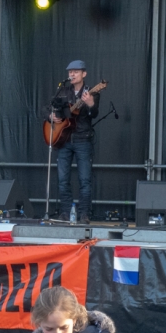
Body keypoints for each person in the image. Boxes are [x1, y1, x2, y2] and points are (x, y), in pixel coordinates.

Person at [50, 60, 100, 224]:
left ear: (84, 74)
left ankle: (84, 214)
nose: (72, 74)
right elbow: (47, 107)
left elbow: (94, 114)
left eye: (76, 71)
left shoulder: (92, 92)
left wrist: (91, 105)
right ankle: (65, 212)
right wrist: (50, 116)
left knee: (84, 180)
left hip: (82, 139)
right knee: (63, 180)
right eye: (70, 71)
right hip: (63, 140)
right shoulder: (63, 91)